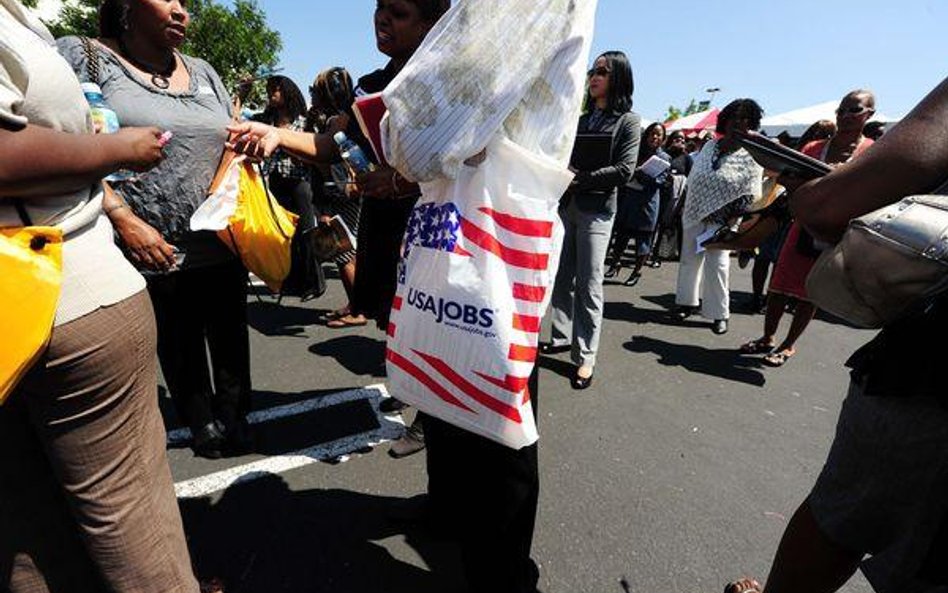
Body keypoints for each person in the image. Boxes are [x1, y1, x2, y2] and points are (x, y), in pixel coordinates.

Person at [0, 1, 200, 591]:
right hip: (62, 291)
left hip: (44, 303)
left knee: (27, 526)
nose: (180, 8)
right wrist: (119, 149)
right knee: (133, 529)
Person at [725, 76, 948, 593]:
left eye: (859, 108)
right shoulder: (815, 144)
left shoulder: (876, 147)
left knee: (841, 517)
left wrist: (820, 195)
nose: (851, 114)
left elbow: (836, 202)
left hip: (930, 375)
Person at [228, 0, 453, 458]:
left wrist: (399, 180)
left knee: (431, 324)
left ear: (431, 22)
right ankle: (414, 388)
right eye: (379, 9)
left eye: (399, 13)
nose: (382, 20)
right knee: (393, 317)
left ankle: (431, 420)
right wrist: (272, 134)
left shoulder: (447, 81)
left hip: (434, 227)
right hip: (386, 221)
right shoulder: (372, 85)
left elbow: (462, 160)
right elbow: (332, 145)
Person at [58, 0, 251, 459]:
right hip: (144, 240)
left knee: (229, 335)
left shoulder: (203, 70)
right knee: (176, 336)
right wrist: (123, 218)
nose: (182, 11)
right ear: (126, 8)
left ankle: (237, 415)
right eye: (168, 0)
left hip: (221, 239)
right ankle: (199, 421)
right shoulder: (85, 56)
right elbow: (67, 143)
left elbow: (233, 134)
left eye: (186, 3)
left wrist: (223, 195)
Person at [740, 90, 875, 366]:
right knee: (778, 284)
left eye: (854, 110)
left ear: (869, 114)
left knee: (811, 291)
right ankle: (767, 337)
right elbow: (786, 180)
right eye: (841, 110)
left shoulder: (871, 153)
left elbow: (871, 192)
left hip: (838, 232)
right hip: (802, 225)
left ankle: (789, 345)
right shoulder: (814, 147)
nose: (845, 116)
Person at [542, 51, 640, 390]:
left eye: (602, 71)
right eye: (592, 71)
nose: (593, 77)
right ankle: (560, 334)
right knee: (561, 275)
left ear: (619, 78)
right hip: (567, 205)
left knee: (589, 284)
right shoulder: (581, 120)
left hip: (597, 209)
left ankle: (585, 357)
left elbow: (625, 171)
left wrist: (579, 178)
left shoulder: (628, 121)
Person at [673, 99, 764, 335]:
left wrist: (732, 218)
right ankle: (686, 302)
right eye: (733, 118)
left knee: (719, 266)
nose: (738, 124)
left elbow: (751, 191)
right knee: (689, 261)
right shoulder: (710, 146)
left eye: (744, 120)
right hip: (695, 212)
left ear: (751, 124)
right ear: (725, 120)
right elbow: (694, 179)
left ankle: (718, 314)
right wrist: (686, 206)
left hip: (724, 219)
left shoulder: (752, 154)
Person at [304, 67, 367, 328]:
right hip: (350, 191)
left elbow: (326, 164)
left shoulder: (333, 123)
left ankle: (358, 309)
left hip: (339, 194)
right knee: (350, 250)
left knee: (343, 252)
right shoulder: (348, 117)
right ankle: (356, 304)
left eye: (314, 91)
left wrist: (309, 152)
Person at [606, 121, 668, 286]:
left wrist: (641, 175)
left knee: (643, 241)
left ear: (663, 138)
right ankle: (614, 264)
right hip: (630, 200)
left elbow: (660, 181)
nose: (654, 137)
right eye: (651, 133)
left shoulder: (663, 158)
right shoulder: (637, 152)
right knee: (621, 237)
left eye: (658, 134)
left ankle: (637, 271)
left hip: (647, 204)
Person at [250, 75, 316, 223]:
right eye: (269, 89)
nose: (270, 93)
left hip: (298, 186)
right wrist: (242, 95)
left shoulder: (304, 124)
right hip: (271, 185)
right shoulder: (265, 122)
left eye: (275, 89)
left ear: (287, 92)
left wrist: (286, 144)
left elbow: (311, 159)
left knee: (304, 233)